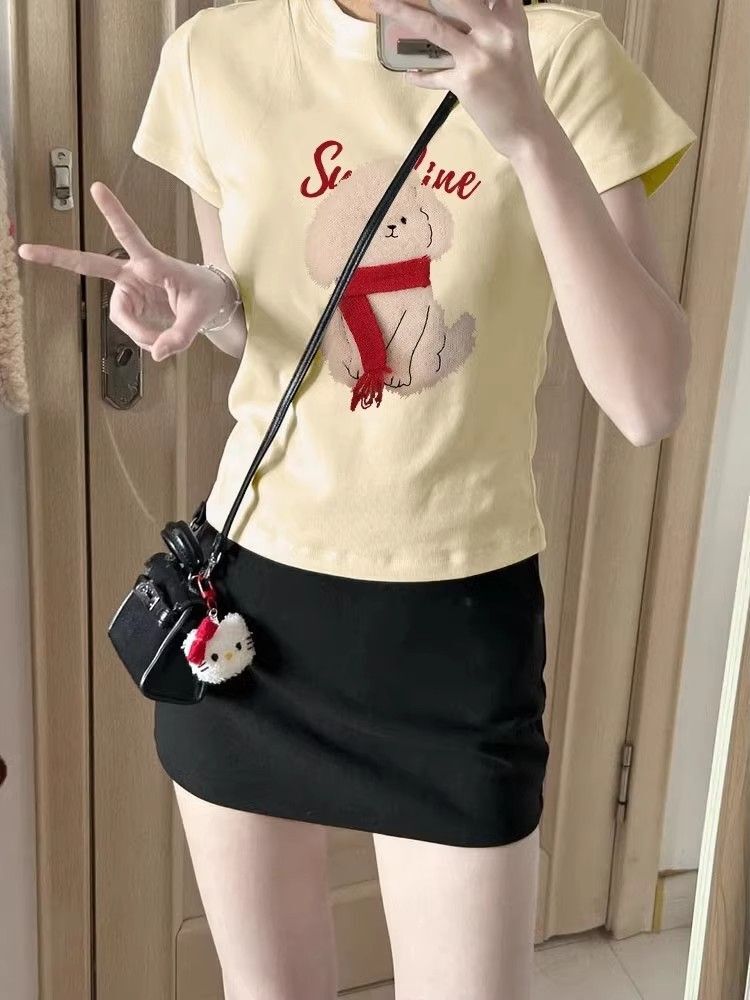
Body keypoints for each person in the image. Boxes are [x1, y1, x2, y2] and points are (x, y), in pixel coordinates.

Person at [17, 1, 698, 997]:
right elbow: (270, 336)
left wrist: (529, 134)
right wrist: (213, 298)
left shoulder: (556, 56)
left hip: (455, 629)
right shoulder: (215, 55)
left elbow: (649, 400)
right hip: (250, 621)